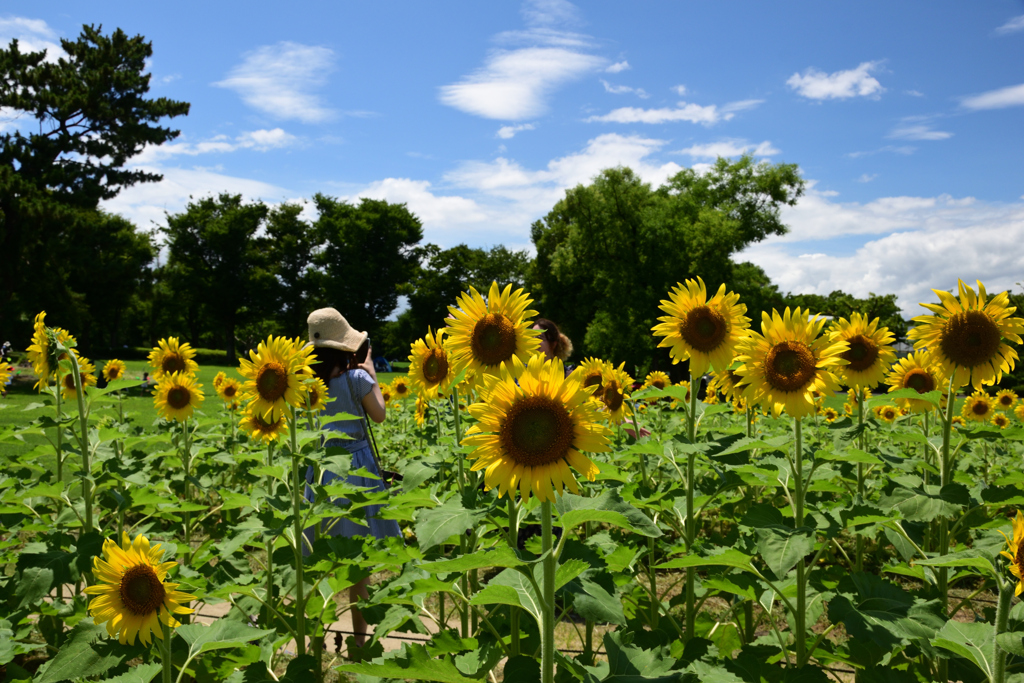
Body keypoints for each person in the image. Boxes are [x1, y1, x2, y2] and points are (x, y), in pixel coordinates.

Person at [304, 307, 399, 653]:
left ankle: (317, 636)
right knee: (358, 562)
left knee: (323, 557)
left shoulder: (307, 386)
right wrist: (370, 367)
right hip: (357, 469)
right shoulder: (357, 379)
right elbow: (380, 415)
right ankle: (360, 640)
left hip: (321, 470)